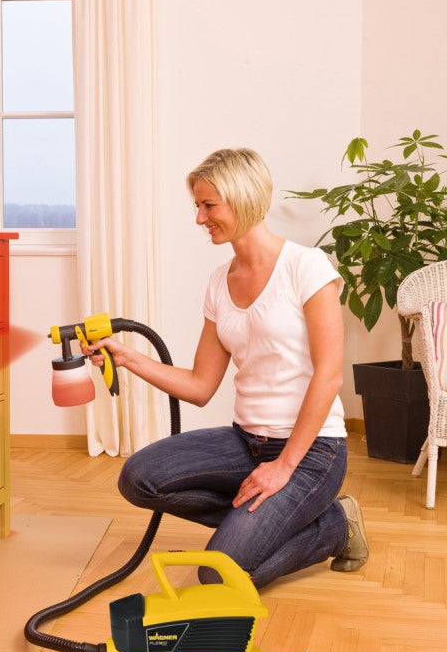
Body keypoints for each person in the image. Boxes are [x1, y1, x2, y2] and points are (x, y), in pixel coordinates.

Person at [83, 147, 368, 589]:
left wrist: (284, 466)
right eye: (198, 206)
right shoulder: (220, 281)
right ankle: (264, 523)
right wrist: (128, 357)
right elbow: (200, 386)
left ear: (243, 198)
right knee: (138, 479)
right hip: (244, 442)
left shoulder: (306, 267)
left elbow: (329, 374)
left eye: (209, 205)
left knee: (216, 576)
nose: (200, 218)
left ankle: (334, 526)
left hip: (312, 452)